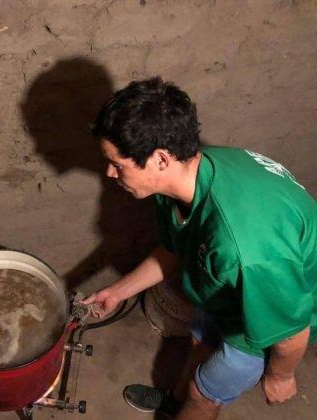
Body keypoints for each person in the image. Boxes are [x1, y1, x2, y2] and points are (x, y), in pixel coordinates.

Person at [83, 77, 317, 419]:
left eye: (118, 164)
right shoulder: (184, 178)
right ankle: (174, 402)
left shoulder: (246, 248)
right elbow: (175, 249)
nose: (109, 173)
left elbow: (293, 332)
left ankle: (193, 403)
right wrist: (118, 292)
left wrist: (281, 375)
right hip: (226, 293)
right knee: (199, 343)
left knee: (203, 395)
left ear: (160, 159)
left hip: (271, 313)